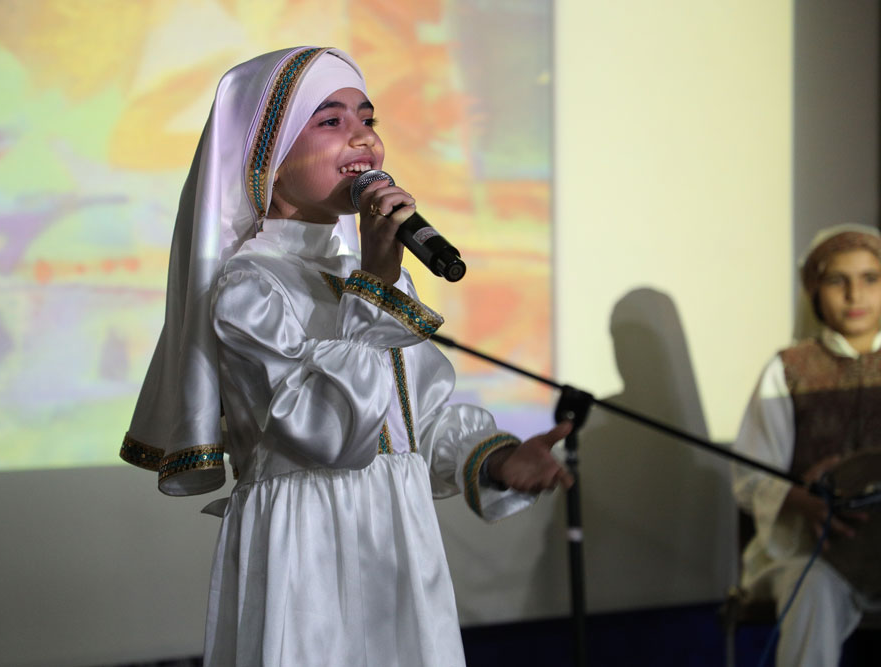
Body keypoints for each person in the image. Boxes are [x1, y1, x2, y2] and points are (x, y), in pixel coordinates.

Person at [120, 46, 574, 667]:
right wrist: (376, 286)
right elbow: (326, 431)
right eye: (330, 120)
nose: (362, 137)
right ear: (268, 159)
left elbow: (412, 422)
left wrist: (495, 459)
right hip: (309, 547)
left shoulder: (361, 278)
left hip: (397, 542)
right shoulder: (251, 286)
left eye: (368, 119)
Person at [732, 224, 881, 667]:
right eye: (838, 280)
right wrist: (801, 500)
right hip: (809, 553)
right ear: (815, 292)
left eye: (870, 278)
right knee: (813, 587)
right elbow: (749, 477)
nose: (855, 294)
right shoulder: (787, 370)